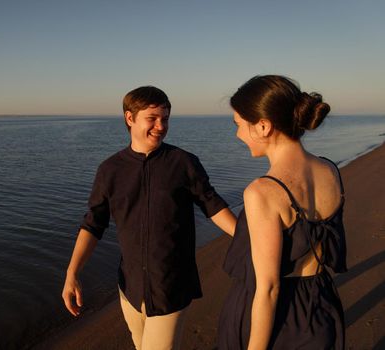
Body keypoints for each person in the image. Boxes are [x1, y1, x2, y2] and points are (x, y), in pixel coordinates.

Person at [62, 86, 237, 350]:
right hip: (130, 286)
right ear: (129, 118)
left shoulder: (183, 163)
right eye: (152, 118)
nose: (160, 126)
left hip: (171, 284)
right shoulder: (110, 170)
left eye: (165, 119)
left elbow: (212, 206)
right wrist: (72, 273)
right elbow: (93, 224)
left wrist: (251, 236)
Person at [218, 75, 347, 349]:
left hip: (278, 319)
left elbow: (268, 289)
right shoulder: (330, 170)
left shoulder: (262, 192)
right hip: (320, 304)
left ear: (263, 126)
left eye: (239, 125)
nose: (238, 134)